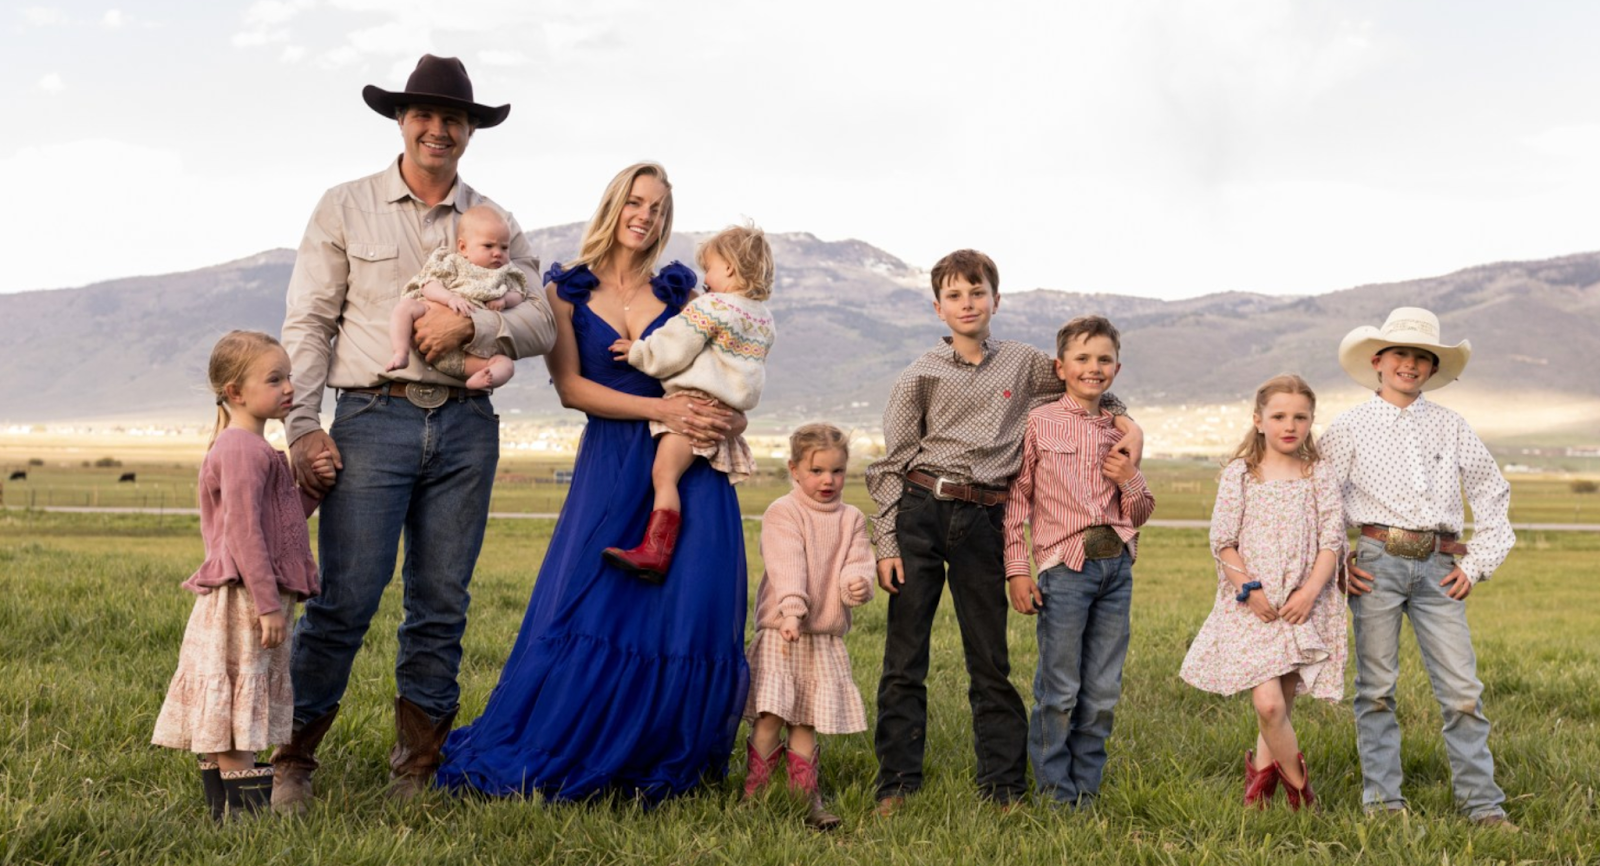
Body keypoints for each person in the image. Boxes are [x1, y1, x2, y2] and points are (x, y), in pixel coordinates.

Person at [274, 54, 556, 811]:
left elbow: (540, 315)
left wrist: (475, 321)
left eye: (453, 118)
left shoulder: (494, 221)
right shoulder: (346, 205)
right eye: (424, 115)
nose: (439, 128)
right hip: (372, 415)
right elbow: (308, 321)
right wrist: (302, 425)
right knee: (344, 597)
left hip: (467, 424)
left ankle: (417, 769)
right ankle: (292, 757)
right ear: (402, 122)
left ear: (470, 130)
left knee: (441, 603)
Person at [435, 162, 750, 803]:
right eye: (636, 201)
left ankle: (661, 750)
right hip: (614, 458)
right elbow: (572, 389)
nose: (647, 215)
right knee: (592, 599)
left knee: (684, 611)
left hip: (689, 463)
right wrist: (660, 408)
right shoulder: (564, 292)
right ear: (614, 205)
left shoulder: (686, 293)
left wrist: (731, 413)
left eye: (659, 207)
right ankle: (573, 740)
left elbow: (727, 367)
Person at [865, 250, 1143, 813]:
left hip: (986, 519)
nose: (967, 304)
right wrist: (887, 542)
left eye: (977, 292)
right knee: (904, 656)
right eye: (954, 295)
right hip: (923, 507)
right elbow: (890, 464)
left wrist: (1127, 421)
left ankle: (1002, 785)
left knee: (988, 657)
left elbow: (1084, 385)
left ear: (996, 299)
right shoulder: (918, 374)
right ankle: (897, 781)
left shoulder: (1023, 363)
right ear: (938, 307)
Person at [1320, 307, 1519, 831]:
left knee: (1462, 690)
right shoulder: (1348, 428)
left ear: (1432, 368)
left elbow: (1492, 495)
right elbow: (1322, 503)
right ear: (1379, 360)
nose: (1410, 364)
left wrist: (1476, 565)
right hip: (1376, 563)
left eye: (1422, 357)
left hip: (1438, 567)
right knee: (1376, 688)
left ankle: (1483, 806)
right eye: (1400, 354)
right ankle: (1383, 803)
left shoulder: (1452, 427)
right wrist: (1338, 561)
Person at [152, 331, 333, 819]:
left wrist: (314, 489)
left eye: (289, 376)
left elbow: (279, 521)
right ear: (236, 392)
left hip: (248, 593)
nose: (288, 387)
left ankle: (225, 820)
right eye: (274, 379)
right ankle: (246, 823)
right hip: (243, 599)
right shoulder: (239, 449)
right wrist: (269, 605)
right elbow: (244, 533)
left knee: (234, 700)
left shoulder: (255, 448)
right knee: (237, 709)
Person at [1002, 316, 1155, 809]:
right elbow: (1017, 502)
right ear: (1061, 367)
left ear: (1117, 367)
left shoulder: (1121, 431)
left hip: (1116, 569)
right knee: (1060, 687)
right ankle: (1054, 793)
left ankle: (1088, 789)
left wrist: (1130, 477)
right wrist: (1018, 569)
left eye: (1104, 359)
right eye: (1083, 358)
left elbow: (1140, 512)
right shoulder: (1040, 423)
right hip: (1064, 570)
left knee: (1104, 689)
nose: (1094, 368)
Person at [1179, 373, 1345, 811]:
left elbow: (1333, 541)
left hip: (1299, 604)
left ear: (1311, 422)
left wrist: (1310, 592)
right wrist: (1248, 590)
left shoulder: (1318, 474)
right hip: (1252, 605)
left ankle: (1260, 793)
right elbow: (1223, 541)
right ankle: (1303, 794)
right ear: (1258, 420)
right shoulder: (1242, 474)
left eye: (1300, 417)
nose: (1289, 425)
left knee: (1280, 708)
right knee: (1269, 706)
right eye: (1279, 416)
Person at [601, 222, 776, 582]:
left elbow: (673, 348)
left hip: (692, 405)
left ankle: (655, 550)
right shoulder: (762, 319)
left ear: (728, 267)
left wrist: (639, 351)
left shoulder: (712, 307)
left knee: (663, 474)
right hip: (726, 412)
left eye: (709, 268)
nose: (704, 278)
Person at [742, 423, 876, 831]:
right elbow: (787, 564)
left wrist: (858, 584)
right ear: (795, 469)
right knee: (770, 717)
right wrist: (792, 610)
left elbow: (857, 560)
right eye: (817, 471)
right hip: (784, 631)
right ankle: (758, 796)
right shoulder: (784, 511)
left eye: (837, 471)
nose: (828, 481)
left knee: (806, 721)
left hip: (822, 639)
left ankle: (805, 799)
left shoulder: (851, 517)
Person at [387, 204, 529, 390]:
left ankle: (483, 378)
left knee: (505, 364)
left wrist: (504, 300)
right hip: (430, 329)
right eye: (488, 246)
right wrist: (449, 299)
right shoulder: (454, 263)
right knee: (405, 307)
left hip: (466, 353)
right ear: (463, 247)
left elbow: (519, 294)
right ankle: (400, 351)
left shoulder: (505, 273)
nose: (497, 253)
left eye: (504, 247)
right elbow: (428, 285)